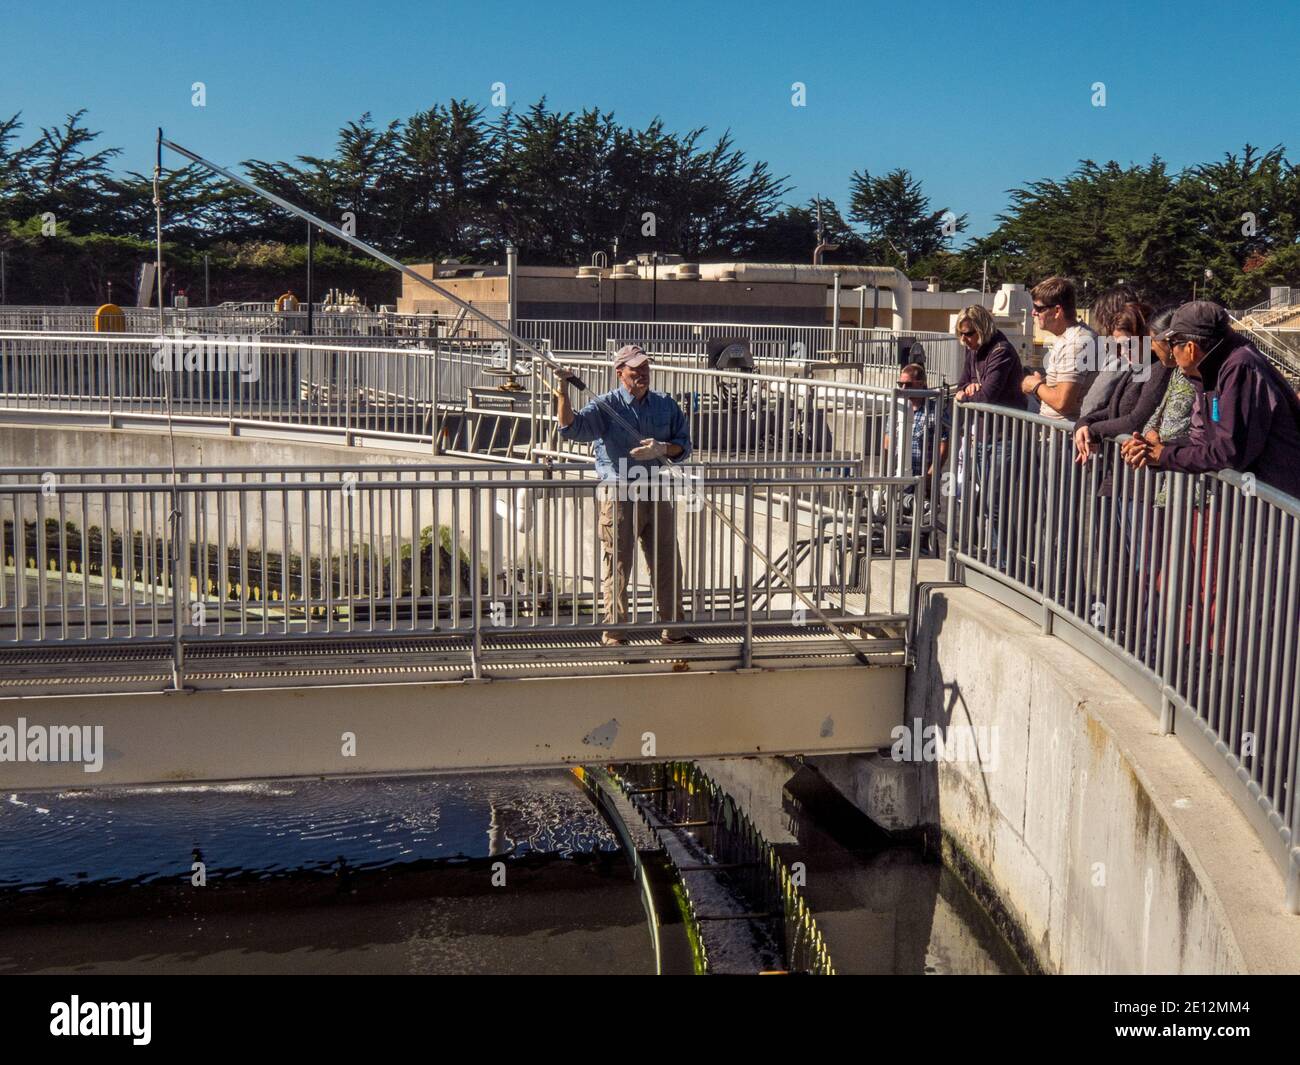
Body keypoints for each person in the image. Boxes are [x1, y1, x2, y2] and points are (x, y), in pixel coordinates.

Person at [553, 344, 694, 646]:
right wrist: (562, 392)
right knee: (618, 565)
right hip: (619, 493)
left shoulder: (665, 405)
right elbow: (570, 428)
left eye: (645, 368)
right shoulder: (606, 406)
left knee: (668, 562)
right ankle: (615, 634)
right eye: (635, 370)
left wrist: (663, 448)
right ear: (620, 373)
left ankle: (674, 631)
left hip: (656, 489)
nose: (642, 374)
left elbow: (684, 445)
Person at [1130, 301, 1300, 497]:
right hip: (1258, 499)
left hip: (1278, 504)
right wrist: (1155, 449)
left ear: (1191, 348)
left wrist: (1164, 455)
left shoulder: (1240, 367)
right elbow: (1203, 440)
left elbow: (1229, 452)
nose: (1170, 352)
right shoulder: (1214, 368)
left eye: (1172, 344)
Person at [953, 303, 1023, 562]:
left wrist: (972, 389)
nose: (964, 339)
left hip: (1004, 437)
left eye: (969, 333)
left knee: (997, 505)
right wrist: (970, 387)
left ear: (982, 329)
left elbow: (987, 394)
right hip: (982, 437)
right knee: (986, 503)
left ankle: (1005, 562)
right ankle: (997, 558)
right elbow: (962, 385)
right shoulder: (974, 350)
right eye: (961, 334)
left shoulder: (1001, 350)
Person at [1021, 276, 1098, 420]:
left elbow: (1063, 402)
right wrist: (1045, 383)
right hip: (1058, 435)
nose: (1033, 313)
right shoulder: (1071, 337)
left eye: (1038, 308)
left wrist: (1035, 385)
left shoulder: (1075, 343)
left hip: (1063, 437)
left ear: (1057, 311)